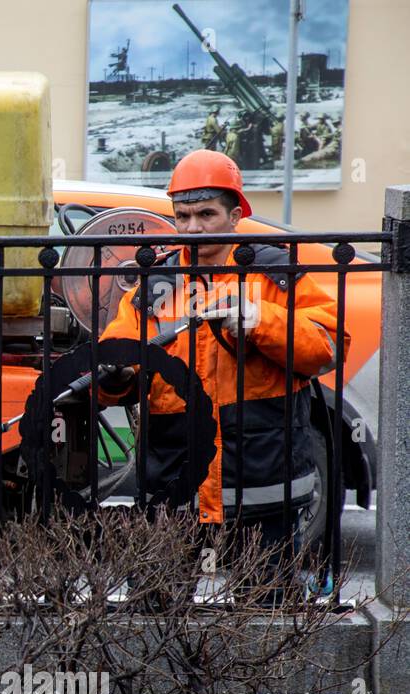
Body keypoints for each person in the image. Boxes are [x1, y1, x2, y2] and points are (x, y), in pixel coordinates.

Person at [94, 149, 346, 597]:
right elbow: (120, 361)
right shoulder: (154, 288)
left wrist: (261, 320)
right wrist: (115, 378)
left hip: (261, 483)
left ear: (235, 216)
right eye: (183, 216)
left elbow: (327, 346)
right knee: (154, 615)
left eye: (206, 214)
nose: (192, 228)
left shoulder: (274, 275)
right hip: (175, 483)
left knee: (264, 614)